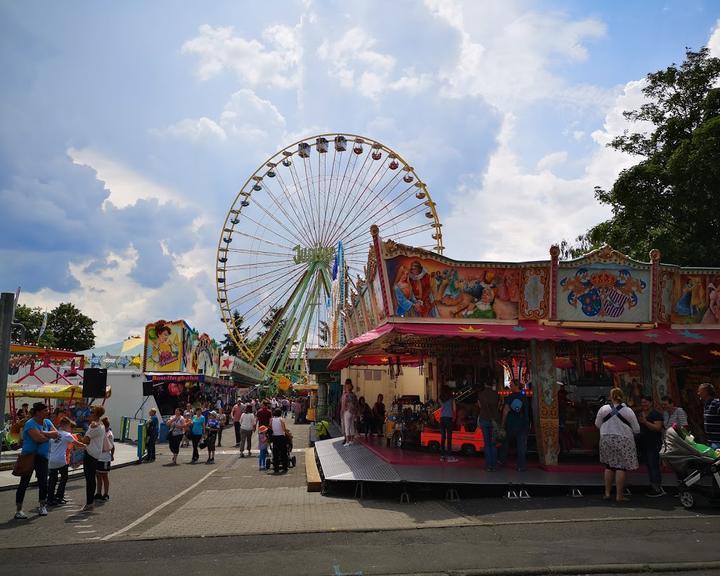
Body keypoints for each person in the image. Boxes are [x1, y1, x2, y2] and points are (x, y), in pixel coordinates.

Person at [595, 388, 640, 502]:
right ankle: (619, 496)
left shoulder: (603, 409)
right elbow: (636, 429)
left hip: (606, 438)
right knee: (621, 467)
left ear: (610, 397)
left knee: (609, 466)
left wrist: (607, 429)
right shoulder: (628, 411)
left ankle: (607, 493)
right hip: (623, 439)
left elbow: (597, 423)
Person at [14, 402, 58, 519]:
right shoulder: (30, 423)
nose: (47, 412)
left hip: (42, 457)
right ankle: (19, 510)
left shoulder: (47, 422)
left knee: (43, 481)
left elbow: (56, 434)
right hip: (29, 456)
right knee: (24, 482)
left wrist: (44, 433)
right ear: (38, 412)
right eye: (45, 410)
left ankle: (42, 506)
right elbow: (37, 439)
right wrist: (48, 436)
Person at [47, 417, 84, 506]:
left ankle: (50, 499)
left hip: (51, 459)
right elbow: (77, 444)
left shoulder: (54, 434)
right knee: (64, 478)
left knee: (53, 479)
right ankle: (59, 496)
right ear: (67, 425)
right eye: (70, 427)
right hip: (61, 460)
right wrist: (85, 445)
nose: (71, 429)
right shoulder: (67, 435)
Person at [499, 380, 530, 471]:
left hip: (511, 424)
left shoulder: (510, 397)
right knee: (521, 445)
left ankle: (502, 460)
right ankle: (521, 465)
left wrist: (502, 424)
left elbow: (505, 411)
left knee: (505, 442)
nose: (510, 387)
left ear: (516, 386)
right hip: (523, 424)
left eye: (511, 385)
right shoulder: (524, 397)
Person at [81, 405, 106, 512]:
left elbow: (85, 440)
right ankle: (90, 502)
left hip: (91, 454)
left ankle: (89, 503)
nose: (89, 413)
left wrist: (77, 437)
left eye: (91, 412)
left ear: (95, 414)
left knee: (90, 479)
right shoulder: (99, 425)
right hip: (93, 454)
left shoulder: (95, 427)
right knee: (91, 479)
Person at [638, 395, 665, 497]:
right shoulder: (640, 414)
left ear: (651, 403)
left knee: (654, 465)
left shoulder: (656, 414)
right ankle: (652, 485)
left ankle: (657, 487)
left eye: (646, 402)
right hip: (643, 444)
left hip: (654, 444)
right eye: (642, 402)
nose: (644, 404)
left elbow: (657, 428)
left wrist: (645, 422)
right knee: (649, 466)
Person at [476, 382, 500, 471]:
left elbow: (479, 406)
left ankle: (489, 466)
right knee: (493, 444)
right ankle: (494, 465)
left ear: (485, 384)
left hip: (484, 419)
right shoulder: (496, 394)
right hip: (494, 420)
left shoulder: (481, 394)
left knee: (487, 444)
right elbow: (498, 406)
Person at [95, 416, 114, 501]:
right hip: (98, 457)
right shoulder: (101, 433)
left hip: (105, 457)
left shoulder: (109, 434)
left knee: (104, 476)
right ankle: (98, 493)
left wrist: (112, 455)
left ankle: (106, 493)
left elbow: (112, 446)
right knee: (98, 476)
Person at [698, 382, 720, 449]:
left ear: (706, 392)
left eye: (699, 391)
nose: (698, 393)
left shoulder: (716, 403)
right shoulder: (706, 405)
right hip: (712, 442)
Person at [438, 386, 457, 462]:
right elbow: (455, 409)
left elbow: (441, 407)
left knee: (443, 437)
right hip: (449, 419)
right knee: (449, 438)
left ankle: (442, 456)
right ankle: (449, 456)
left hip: (442, 418)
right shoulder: (452, 398)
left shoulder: (440, 398)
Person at [269, 409, 289, 474]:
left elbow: (270, 427)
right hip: (281, 437)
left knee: (275, 453)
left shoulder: (272, 420)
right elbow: (284, 429)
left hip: (275, 437)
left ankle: (276, 468)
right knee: (283, 452)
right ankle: (285, 467)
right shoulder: (281, 419)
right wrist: (288, 433)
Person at [340, 379, 358, 446]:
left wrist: (342, 412)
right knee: (352, 426)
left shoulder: (345, 395)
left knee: (347, 426)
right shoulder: (353, 395)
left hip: (347, 411)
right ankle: (352, 441)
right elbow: (356, 404)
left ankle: (347, 441)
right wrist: (356, 412)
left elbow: (343, 404)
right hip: (353, 412)